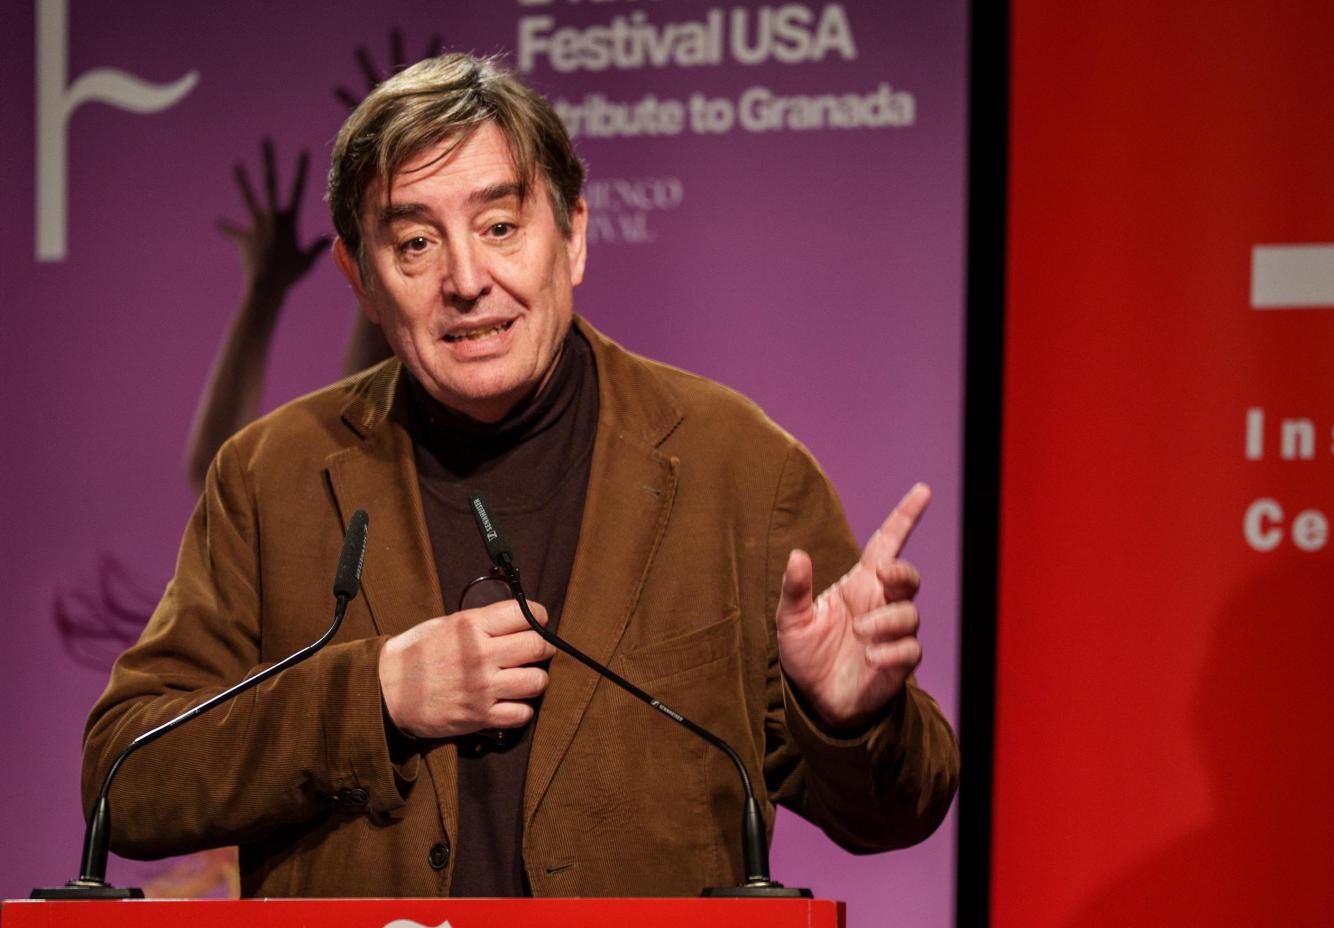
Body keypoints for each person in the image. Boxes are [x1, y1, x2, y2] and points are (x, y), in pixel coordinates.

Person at [81, 52, 959, 898]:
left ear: (573, 235)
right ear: (360, 278)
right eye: (416, 243)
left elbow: (901, 806)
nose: (467, 281)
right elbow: (126, 777)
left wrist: (848, 717)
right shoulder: (272, 478)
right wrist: (375, 697)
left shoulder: (738, 467)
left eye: (500, 227)